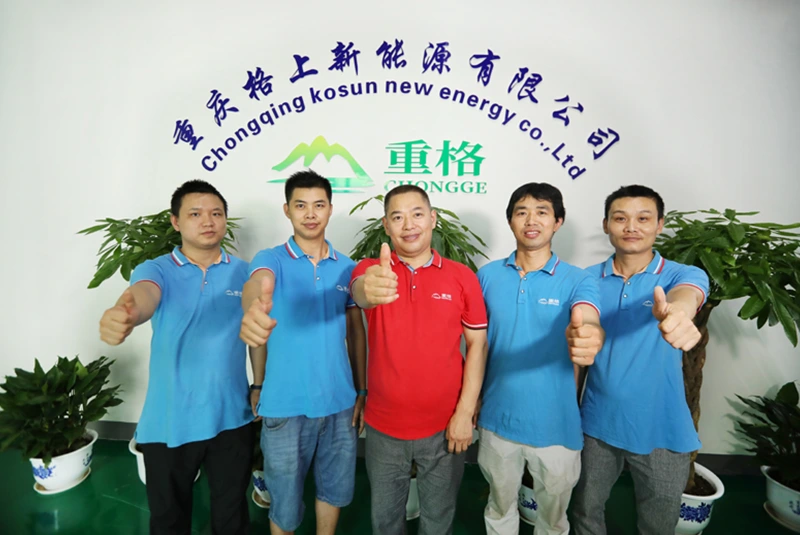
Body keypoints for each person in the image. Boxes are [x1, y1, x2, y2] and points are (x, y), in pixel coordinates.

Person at [98, 180, 253, 535]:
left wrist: (259, 384)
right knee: (169, 520)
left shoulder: (245, 273)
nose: (208, 221)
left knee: (232, 517)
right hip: (170, 419)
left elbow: (256, 328)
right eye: (195, 214)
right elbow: (143, 296)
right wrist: (126, 313)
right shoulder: (157, 269)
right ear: (176, 222)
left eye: (216, 213)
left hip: (231, 416)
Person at [350, 184, 489, 535]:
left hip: (445, 426)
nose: (408, 225)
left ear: (433, 218)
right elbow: (361, 292)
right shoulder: (371, 269)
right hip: (383, 427)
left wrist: (464, 414)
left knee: (438, 521)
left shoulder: (462, 276)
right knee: (385, 522)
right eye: (397, 217)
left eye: (417, 214)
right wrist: (370, 287)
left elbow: (477, 344)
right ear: (386, 225)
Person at [571, 185, 709, 535]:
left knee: (659, 519)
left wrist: (678, 312)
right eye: (620, 218)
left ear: (660, 224)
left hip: (663, 425)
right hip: (597, 422)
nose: (631, 227)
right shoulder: (586, 279)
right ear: (606, 224)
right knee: (586, 508)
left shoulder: (681, 274)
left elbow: (687, 295)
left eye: (643, 218)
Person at [239, 169, 366, 535]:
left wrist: (361, 389)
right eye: (300, 205)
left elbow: (356, 333)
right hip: (284, 405)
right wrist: (253, 306)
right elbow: (257, 284)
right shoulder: (271, 258)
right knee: (284, 499)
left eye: (319, 205)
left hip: (339, 403)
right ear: (287, 210)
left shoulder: (347, 267)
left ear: (330, 209)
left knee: (335, 488)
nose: (310, 214)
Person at [476, 182, 604, 535]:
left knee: (553, 520)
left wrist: (590, 334)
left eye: (542, 212)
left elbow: (588, 317)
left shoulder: (578, 280)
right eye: (522, 212)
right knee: (499, 508)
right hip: (496, 420)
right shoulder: (487, 276)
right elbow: (476, 345)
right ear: (510, 221)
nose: (531, 220)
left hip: (557, 426)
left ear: (557, 221)